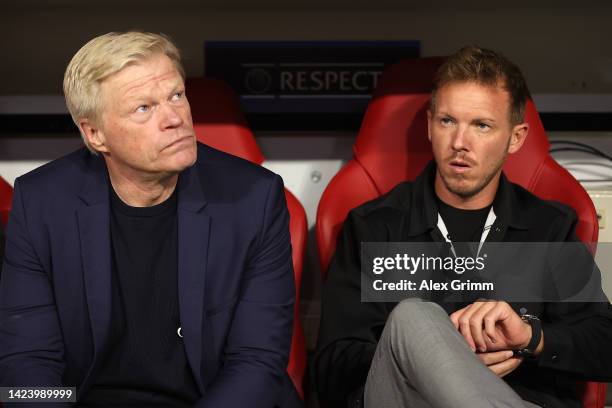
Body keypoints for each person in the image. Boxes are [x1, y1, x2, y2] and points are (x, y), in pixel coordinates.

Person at [0, 31, 301, 408]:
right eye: (144, 108)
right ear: (95, 134)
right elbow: (26, 364)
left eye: (176, 95)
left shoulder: (254, 198)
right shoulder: (40, 201)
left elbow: (257, 363)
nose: (174, 118)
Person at [314, 46, 612, 408]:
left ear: (515, 138)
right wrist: (434, 357)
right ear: (429, 125)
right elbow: (332, 368)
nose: (459, 143)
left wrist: (530, 338)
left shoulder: (549, 226)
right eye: (447, 121)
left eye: (481, 125)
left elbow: (603, 344)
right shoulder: (375, 227)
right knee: (414, 316)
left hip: (521, 397)